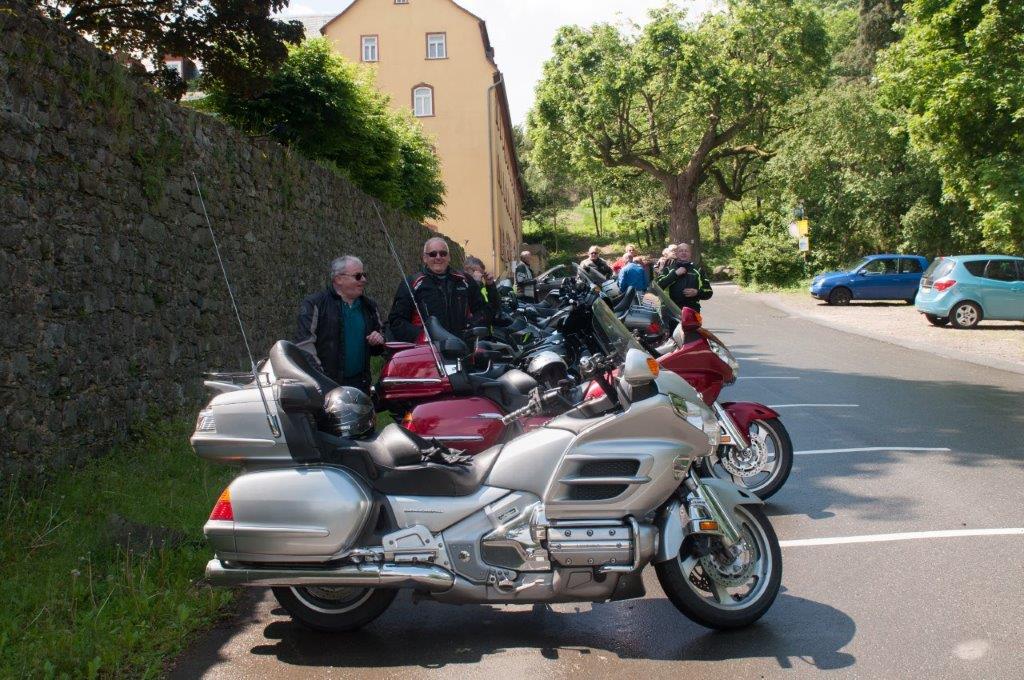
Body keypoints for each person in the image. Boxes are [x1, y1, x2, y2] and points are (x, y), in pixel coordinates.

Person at [295, 255, 385, 395]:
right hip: (325, 387)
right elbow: (304, 344)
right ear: (338, 279)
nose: (363, 280)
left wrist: (378, 339)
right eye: (358, 276)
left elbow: (380, 343)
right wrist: (321, 379)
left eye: (364, 275)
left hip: (360, 385)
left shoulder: (369, 306)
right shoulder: (315, 304)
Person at [387, 237, 486, 342]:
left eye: (443, 253)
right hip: (428, 348)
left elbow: (482, 310)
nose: (438, 257)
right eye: (433, 254)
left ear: (449, 257)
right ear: (425, 258)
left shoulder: (464, 280)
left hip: (462, 346)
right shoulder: (411, 283)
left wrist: (471, 329)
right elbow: (397, 321)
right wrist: (422, 337)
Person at [656, 243, 713, 311]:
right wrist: (675, 274)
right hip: (671, 310)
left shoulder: (698, 270)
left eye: (686, 251)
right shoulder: (668, 269)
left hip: (692, 310)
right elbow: (658, 286)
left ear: (690, 254)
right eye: (681, 251)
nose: (683, 253)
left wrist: (697, 292)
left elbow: (708, 292)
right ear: (676, 254)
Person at [463, 255, 499, 326]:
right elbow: (474, 305)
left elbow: (493, 306)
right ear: (467, 270)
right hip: (474, 328)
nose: (479, 276)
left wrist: (490, 285)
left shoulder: (480, 284)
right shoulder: (461, 285)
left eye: (481, 274)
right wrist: (476, 283)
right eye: (477, 272)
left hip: (486, 327)